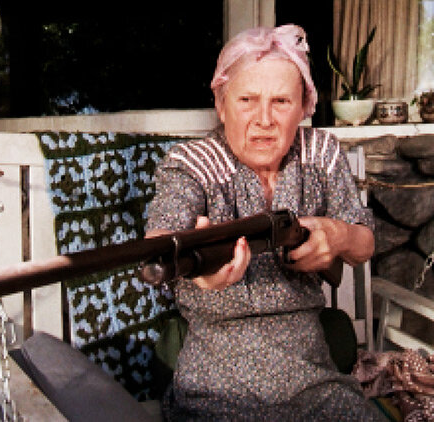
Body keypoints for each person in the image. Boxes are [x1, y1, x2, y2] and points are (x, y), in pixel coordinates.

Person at [145, 25, 385, 421]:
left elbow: (365, 243)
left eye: (281, 101)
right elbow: (161, 236)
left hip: (314, 378)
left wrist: (338, 235)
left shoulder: (320, 153)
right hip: (216, 385)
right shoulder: (190, 164)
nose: (264, 119)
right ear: (221, 105)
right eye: (247, 100)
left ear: (304, 106)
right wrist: (198, 269)